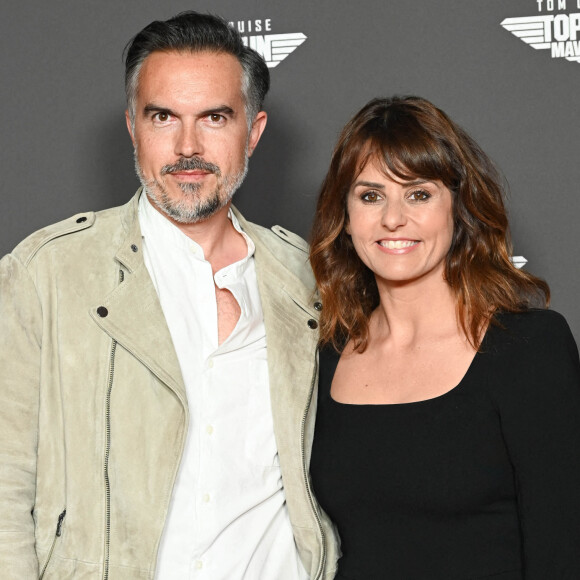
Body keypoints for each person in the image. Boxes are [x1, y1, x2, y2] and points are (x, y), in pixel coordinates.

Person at [0, 11, 339, 579]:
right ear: (133, 126)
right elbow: (5, 486)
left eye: (214, 117)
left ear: (252, 132)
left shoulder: (305, 278)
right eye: (163, 117)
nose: (188, 146)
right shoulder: (49, 272)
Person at [308, 96, 580, 579]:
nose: (393, 218)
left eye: (419, 194)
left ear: (458, 207)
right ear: (345, 218)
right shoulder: (324, 353)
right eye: (370, 196)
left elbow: (563, 549)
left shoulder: (528, 348)